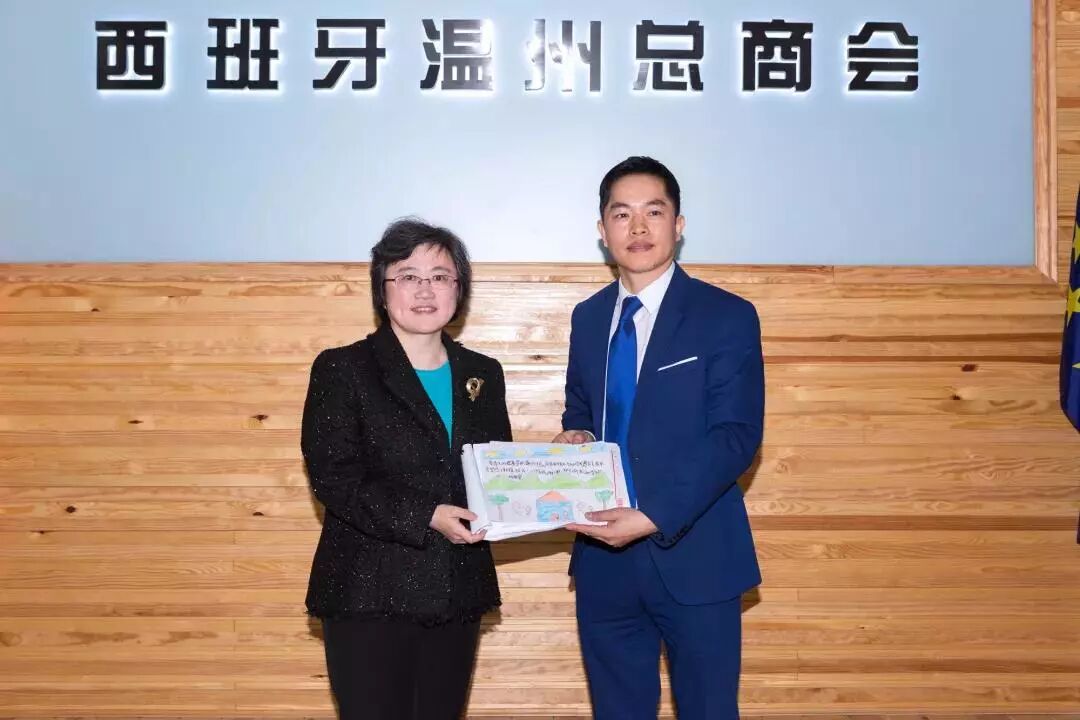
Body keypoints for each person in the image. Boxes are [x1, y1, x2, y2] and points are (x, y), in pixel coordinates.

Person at [554, 157, 764, 719]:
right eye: (622, 214)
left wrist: (652, 515)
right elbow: (582, 407)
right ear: (603, 230)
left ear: (679, 224)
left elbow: (736, 436)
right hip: (603, 560)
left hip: (696, 555)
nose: (639, 227)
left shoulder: (726, 316)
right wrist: (576, 435)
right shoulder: (588, 318)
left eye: (654, 212)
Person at [301, 218, 512, 720]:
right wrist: (427, 514)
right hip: (368, 591)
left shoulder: (483, 373)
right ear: (383, 288)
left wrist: (555, 473)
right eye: (408, 276)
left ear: (459, 289)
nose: (424, 290)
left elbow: (496, 469)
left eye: (440, 276)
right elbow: (335, 477)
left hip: (456, 588)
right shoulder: (342, 369)